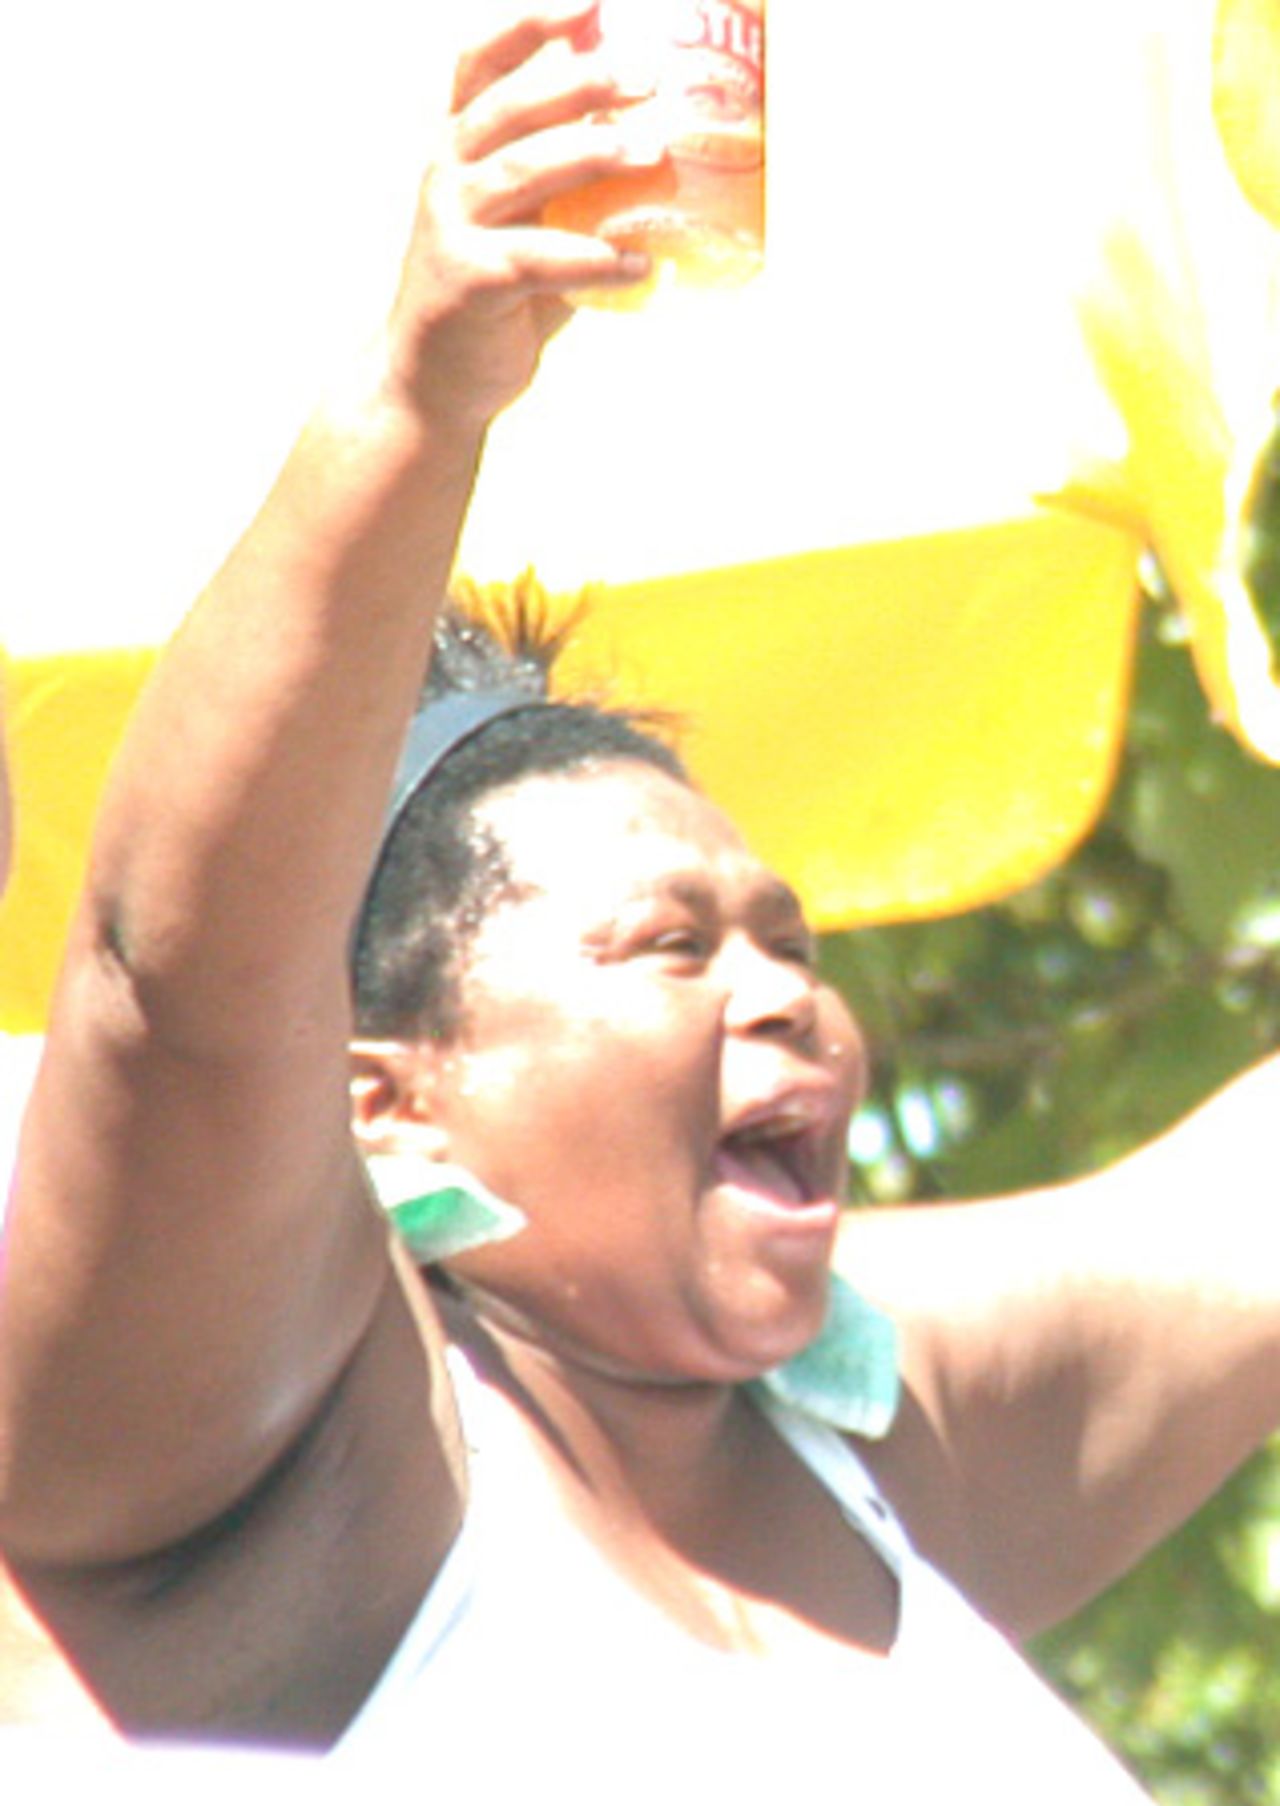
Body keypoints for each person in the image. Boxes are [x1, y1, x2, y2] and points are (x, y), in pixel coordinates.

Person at [1, 6, 1278, 1795]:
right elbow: (173, 997)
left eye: (786, 939)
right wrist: (421, 384)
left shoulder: (870, 1446)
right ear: (377, 1101)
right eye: (669, 945)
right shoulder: (274, 1486)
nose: (787, 1000)